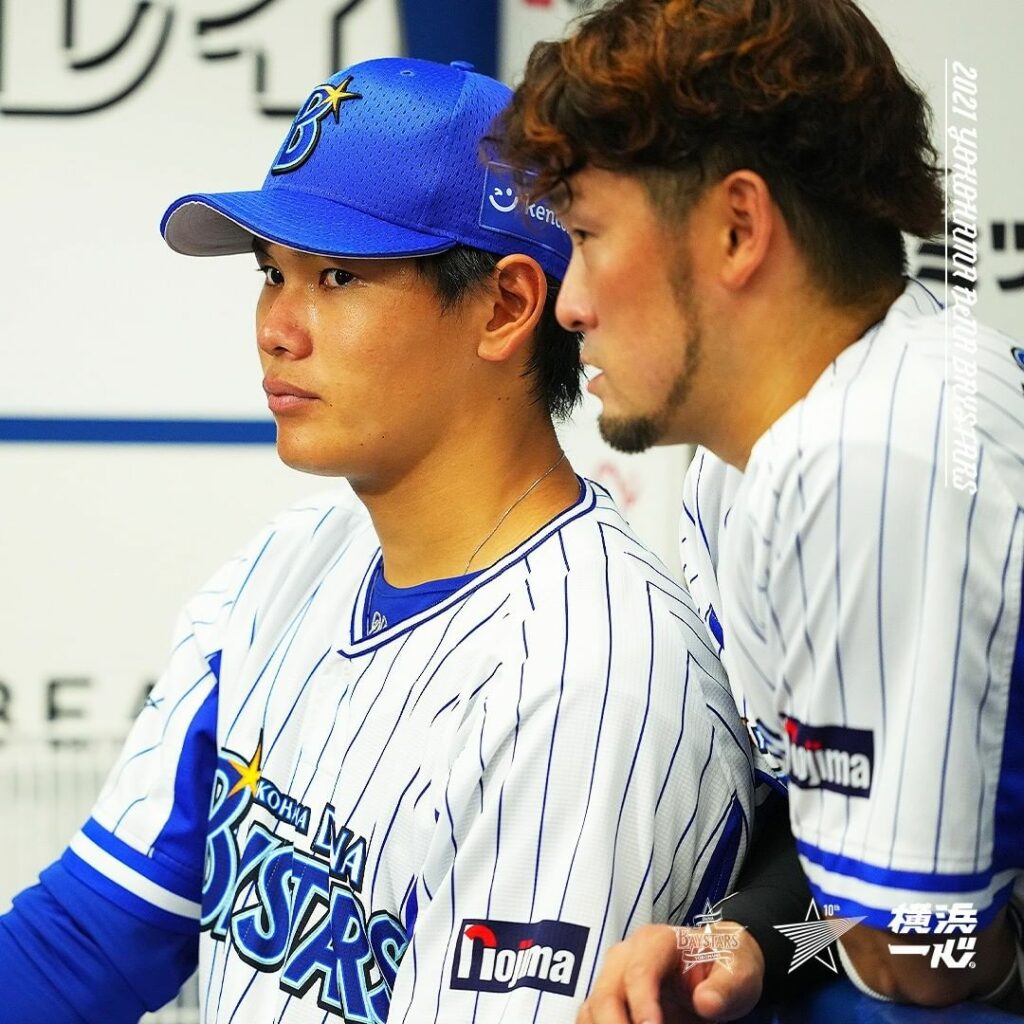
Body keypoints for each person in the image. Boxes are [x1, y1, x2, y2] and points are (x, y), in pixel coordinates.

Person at [0, 57, 755, 1023]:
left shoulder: (591, 675)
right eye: (271, 274)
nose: (277, 327)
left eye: (338, 276)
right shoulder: (286, 564)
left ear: (506, 306)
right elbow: (90, 939)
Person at [493, 0, 1024, 1016]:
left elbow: (921, 956)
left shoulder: (875, 450)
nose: (569, 304)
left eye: (589, 235)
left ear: (739, 229)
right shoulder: (753, 460)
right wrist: (756, 939)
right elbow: (864, 910)